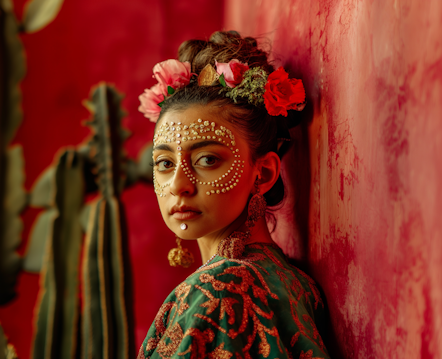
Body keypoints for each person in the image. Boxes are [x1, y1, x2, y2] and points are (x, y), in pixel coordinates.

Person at [136, 31, 330, 358]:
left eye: (207, 160)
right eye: (165, 162)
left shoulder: (221, 290)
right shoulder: (287, 280)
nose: (178, 185)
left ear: (264, 173)